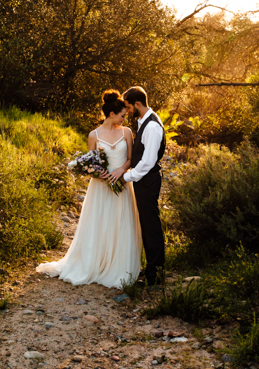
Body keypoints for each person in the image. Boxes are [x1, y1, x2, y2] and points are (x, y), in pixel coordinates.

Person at [36, 90, 142, 289]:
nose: (125, 118)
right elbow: (92, 163)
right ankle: (95, 262)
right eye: (122, 115)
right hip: (101, 188)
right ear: (112, 114)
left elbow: (130, 159)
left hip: (122, 184)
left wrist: (120, 171)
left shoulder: (126, 132)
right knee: (99, 224)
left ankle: (118, 266)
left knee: (121, 224)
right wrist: (99, 173)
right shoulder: (93, 135)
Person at [121, 86, 166, 286]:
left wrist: (127, 176)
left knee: (151, 224)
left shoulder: (152, 126)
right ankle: (151, 268)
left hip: (148, 180)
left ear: (137, 104)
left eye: (129, 107)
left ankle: (155, 272)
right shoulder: (144, 122)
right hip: (143, 181)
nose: (128, 111)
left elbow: (148, 161)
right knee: (146, 224)